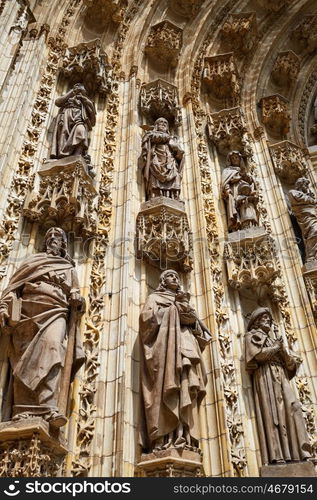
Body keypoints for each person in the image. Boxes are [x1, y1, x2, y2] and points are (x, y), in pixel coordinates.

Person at [0, 227, 85, 427]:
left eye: (57, 237)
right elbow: (13, 288)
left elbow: (78, 298)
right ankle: (22, 409)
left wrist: (77, 299)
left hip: (56, 312)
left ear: (64, 244)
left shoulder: (68, 269)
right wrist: (4, 307)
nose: (53, 239)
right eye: (49, 236)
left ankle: (48, 406)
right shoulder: (33, 262)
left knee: (54, 348)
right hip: (27, 314)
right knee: (24, 359)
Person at [139, 270, 211, 452]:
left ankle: (185, 437)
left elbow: (201, 331)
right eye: (171, 276)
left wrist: (190, 317)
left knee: (186, 387)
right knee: (168, 387)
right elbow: (146, 321)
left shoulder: (185, 302)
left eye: (177, 277)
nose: (175, 279)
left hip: (186, 347)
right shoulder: (154, 298)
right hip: (165, 350)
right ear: (163, 280)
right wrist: (173, 311)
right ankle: (165, 439)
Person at [245, 307, 311, 465]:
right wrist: (275, 348)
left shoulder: (275, 339)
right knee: (273, 413)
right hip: (266, 375)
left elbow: (290, 366)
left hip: (281, 375)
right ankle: (277, 455)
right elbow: (257, 355)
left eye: (269, 317)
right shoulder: (251, 336)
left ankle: (301, 452)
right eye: (263, 317)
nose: (267, 320)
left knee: (294, 407)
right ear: (256, 321)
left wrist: (282, 351)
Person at [139, 117, 184, 200]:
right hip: (156, 158)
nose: (163, 124)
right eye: (161, 122)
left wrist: (178, 150)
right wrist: (167, 138)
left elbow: (179, 153)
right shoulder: (150, 134)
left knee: (176, 175)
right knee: (155, 173)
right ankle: (155, 195)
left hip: (170, 160)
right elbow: (148, 140)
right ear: (156, 125)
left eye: (165, 123)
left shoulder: (173, 138)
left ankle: (174, 196)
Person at [50, 83, 96, 161]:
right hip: (66, 117)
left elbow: (93, 120)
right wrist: (71, 92)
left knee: (81, 131)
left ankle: (77, 155)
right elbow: (58, 102)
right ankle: (62, 155)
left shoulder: (86, 101)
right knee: (64, 134)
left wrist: (86, 101)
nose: (79, 91)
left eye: (81, 90)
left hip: (79, 119)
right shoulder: (69, 97)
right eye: (77, 89)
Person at [221, 150, 255, 232]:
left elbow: (251, 181)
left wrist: (245, 176)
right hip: (234, 191)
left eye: (237, 157)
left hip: (245, 191)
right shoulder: (227, 171)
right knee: (237, 206)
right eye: (233, 158)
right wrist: (228, 190)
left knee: (246, 205)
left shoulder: (243, 171)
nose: (235, 159)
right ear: (230, 160)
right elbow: (225, 182)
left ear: (240, 159)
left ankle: (248, 225)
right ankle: (237, 226)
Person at [289, 177, 317, 262]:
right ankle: (310, 256)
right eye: (306, 185)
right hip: (306, 218)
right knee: (315, 231)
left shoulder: (308, 196)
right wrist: (311, 199)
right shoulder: (293, 193)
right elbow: (305, 200)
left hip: (312, 215)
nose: (307, 188)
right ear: (301, 185)